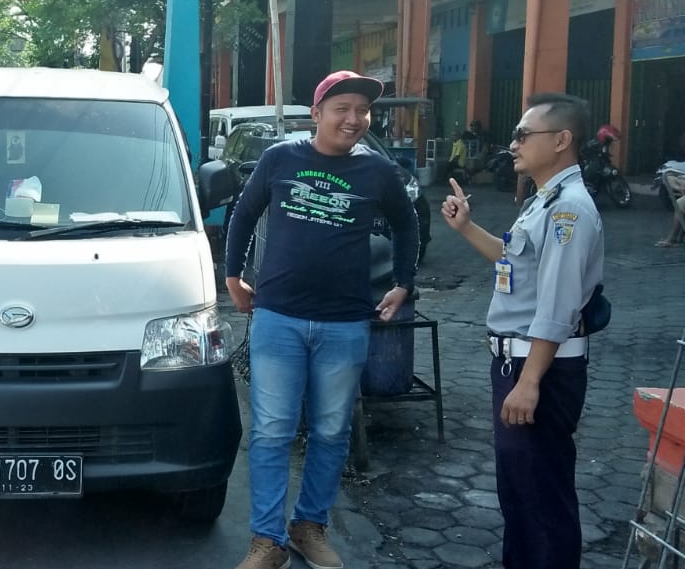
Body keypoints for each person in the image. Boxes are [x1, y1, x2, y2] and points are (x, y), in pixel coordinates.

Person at [226, 70, 419, 569]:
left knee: (331, 431)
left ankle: (308, 527)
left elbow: (406, 222)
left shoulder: (377, 170)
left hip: (344, 323)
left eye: (363, 110)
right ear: (316, 114)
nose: (354, 119)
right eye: (342, 109)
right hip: (278, 319)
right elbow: (243, 214)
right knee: (272, 432)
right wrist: (232, 276)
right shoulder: (280, 158)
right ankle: (267, 541)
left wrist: (403, 281)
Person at [440, 93, 603, 569]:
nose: (513, 144)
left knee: (541, 494)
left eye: (523, 134)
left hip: (541, 370)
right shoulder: (543, 201)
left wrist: (530, 382)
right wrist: (467, 227)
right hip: (519, 363)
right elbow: (513, 260)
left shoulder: (570, 209)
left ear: (562, 140)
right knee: (518, 491)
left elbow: (557, 306)